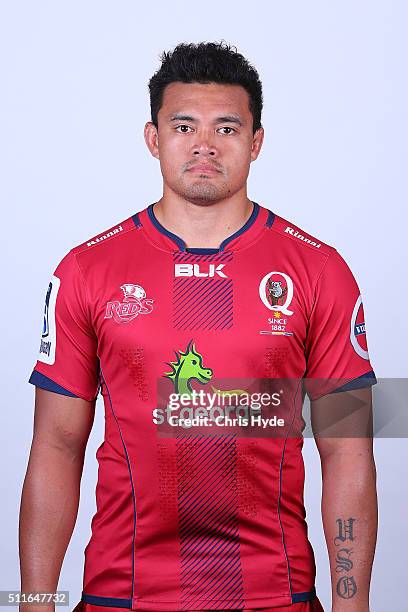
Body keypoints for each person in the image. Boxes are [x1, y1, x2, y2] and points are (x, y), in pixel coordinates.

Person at [20, 42, 378, 612]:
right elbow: (57, 448)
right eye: (183, 125)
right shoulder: (87, 270)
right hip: (123, 595)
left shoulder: (319, 270)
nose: (204, 144)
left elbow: (348, 452)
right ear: (152, 137)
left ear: (256, 142)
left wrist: (352, 605)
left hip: (273, 597)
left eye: (227, 128)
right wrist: (32, 603)